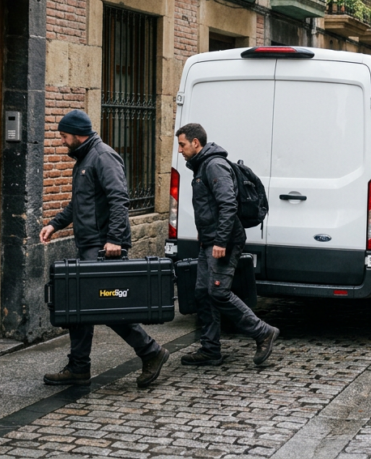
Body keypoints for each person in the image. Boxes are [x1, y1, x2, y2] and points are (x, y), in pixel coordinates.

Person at [40, 110, 169, 388]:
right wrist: (54, 224)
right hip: (89, 245)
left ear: (78, 133)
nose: (63, 142)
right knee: (78, 306)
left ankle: (152, 352)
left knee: (108, 308)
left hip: (103, 246)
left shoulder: (102, 156)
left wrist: (114, 239)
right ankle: (79, 367)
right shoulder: (85, 158)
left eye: (64, 136)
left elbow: (119, 199)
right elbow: (79, 205)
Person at [175, 123, 279, 367]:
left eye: (182, 145)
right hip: (210, 241)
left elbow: (228, 204)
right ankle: (210, 349)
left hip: (225, 241)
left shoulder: (214, 166)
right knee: (202, 292)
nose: (180, 150)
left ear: (195, 143)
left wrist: (220, 240)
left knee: (219, 292)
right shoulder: (201, 166)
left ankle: (263, 331)